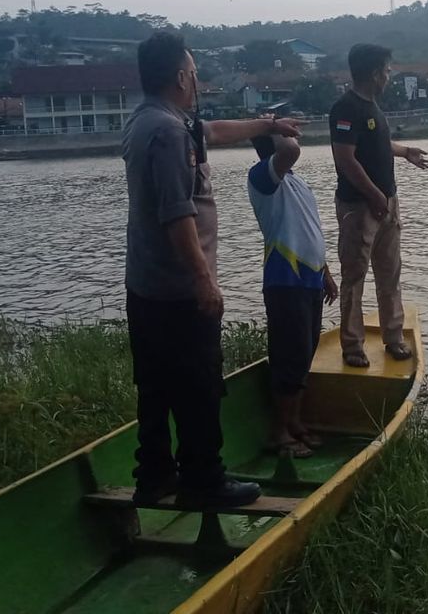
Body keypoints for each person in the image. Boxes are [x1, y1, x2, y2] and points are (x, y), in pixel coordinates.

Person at [123, 30, 302, 506]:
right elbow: (177, 213)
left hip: (145, 286)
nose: (197, 81)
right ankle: (204, 481)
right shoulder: (167, 131)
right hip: (180, 289)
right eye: (195, 73)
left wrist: (265, 125)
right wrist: (205, 281)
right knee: (199, 387)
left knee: (155, 387)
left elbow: (216, 132)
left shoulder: (149, 121)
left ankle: (156, 475)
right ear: (182, 77)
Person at [328, 44, 428, 368]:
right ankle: (353, 346)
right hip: (359, 207)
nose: (388, 76)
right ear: (374, 73)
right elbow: (345, 158)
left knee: (390, 275)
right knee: (354, 277)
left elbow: (377, 144)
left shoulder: (373, 108)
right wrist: (374, 196)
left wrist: (404, 152)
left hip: (387, 203)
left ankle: (394, 337)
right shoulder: (346, 107)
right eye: (386, 70)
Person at [247, 131, 338, 458]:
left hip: (309, 279)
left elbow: (307, 228)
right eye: (282, 134)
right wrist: (273, 125)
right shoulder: (263, 177)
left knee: (304, 353)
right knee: (289, 355)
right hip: (285, 280)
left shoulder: (296, 182)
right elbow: (291, 149)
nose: (291, 134)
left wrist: (325, 272)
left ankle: (295, 422)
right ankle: (279, 433)